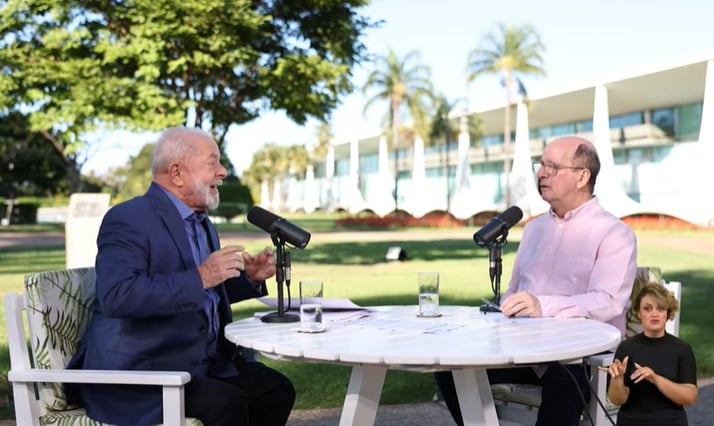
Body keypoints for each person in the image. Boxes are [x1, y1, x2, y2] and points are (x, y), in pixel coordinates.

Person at [66, 126, 295, 426]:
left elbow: (205, 291)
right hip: (141, 375)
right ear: (176, 173)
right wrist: (200, 276)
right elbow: (117, 296)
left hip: (200, 365)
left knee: (276, 390)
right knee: (227, 405)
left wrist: (249, 277)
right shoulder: (128, 218)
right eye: (213, 162)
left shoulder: (202, 223)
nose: (223, 172)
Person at [435, 135, 638, 426]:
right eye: (540, 165)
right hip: (523, 349)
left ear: (583, 176)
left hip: (579, 355)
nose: (541, 173)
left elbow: (608, 301)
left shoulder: (614, 233)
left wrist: (542, 305)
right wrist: (508, 304)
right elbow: (515, 289)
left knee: (564, 379)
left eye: (553, 167)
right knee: (450, 367)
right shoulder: (534, 230)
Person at [606, 282, 697, 426]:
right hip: (632, 422)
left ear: (668, 312)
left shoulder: (682, 349)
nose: (654, 314)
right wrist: (617, 380)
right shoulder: (626, 348)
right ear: (638, 313)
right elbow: (617, 400)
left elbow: (690, 397)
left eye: (660, 308)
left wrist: (655, 378)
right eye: (647, 309)